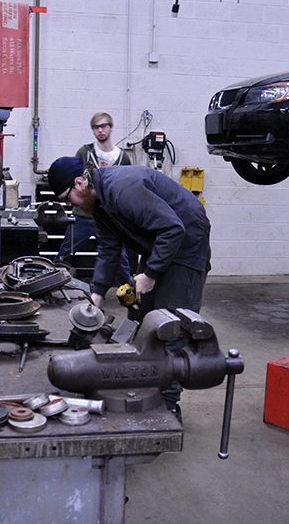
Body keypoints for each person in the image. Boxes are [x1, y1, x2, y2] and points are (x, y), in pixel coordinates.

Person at [47, 156, 212, 419]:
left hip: (186, 244)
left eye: (68, 199)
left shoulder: (122, 189)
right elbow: (109, 248)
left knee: (173, 326)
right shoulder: (100, 204)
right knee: (144, 317)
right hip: (158, 242)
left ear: (79, 183)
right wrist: (98, 292)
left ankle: (168, 408)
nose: (72, 207)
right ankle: (143, 383)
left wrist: (151, 272)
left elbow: (173, 228)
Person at [54, 112, 133, 287]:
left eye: (104, 126)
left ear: (111, 128)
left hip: (110, 218)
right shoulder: (85, 153)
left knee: (120, 259)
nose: (100, 130)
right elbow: (74, 178)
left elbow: (127, 186)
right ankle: (52, 284)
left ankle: (130, 293)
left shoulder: (123, 157)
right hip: (83, 216)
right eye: (96, 127)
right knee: (64, 253)